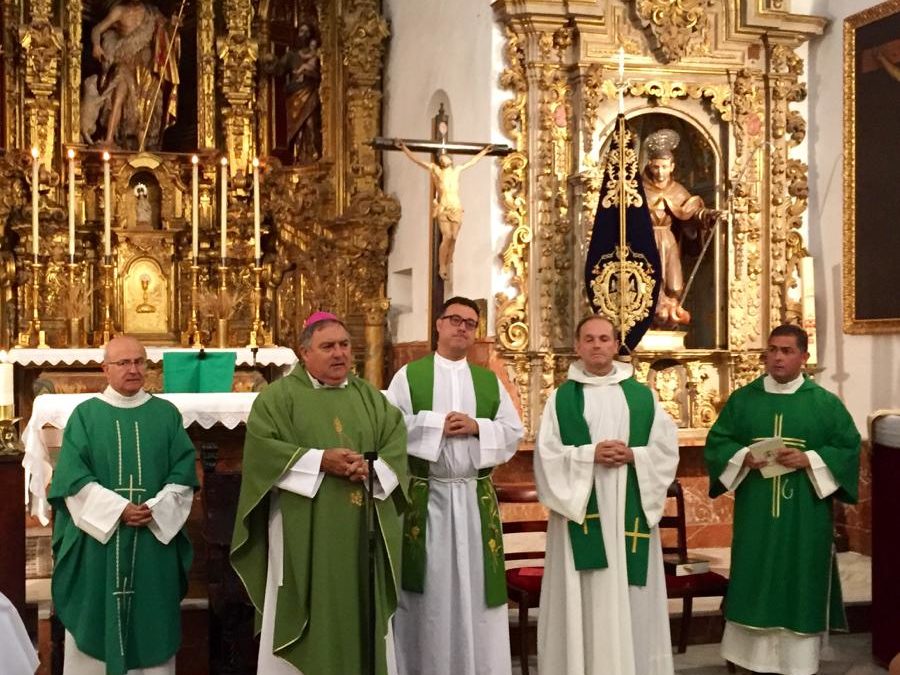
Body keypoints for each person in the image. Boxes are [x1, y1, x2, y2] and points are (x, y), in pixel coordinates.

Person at [231, 311, 408, 674]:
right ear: (304, 353)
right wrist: (319, 461)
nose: (339, 353)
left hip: (362, 528)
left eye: (344, 345)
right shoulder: (278, 398)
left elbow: (394, 442)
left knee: (361, 607)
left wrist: (370, 469)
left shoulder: (370, 397)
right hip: (303, 526)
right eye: (328, 346)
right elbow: (264, 451)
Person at [704, 324, 860, 675]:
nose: (777, 357)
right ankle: (748, 661)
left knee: (800, 576)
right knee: (753, 575)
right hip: (756, 511)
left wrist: (811, 460)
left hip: (805, 515)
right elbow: (718, 443)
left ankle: (798, 664)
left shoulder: (824, 404)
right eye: (772, 349)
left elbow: (848, 449)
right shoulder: (744, 399)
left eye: (787, 351)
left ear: (804, 357)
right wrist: (742, 456)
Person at [386, 296, 523, 675]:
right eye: (455, 320)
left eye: (470, 322)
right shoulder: (409, 376)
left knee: (478, 591)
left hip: (474, 499)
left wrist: (479, 426)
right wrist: (434, 425)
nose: (462, 327)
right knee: (429, 592)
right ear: (439, 325)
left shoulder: (488, 380)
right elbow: (390, 429)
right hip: (426, 498)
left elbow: (513, 433)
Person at [535, 314, 679, 675]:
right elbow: (547, 455)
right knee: (583, 591)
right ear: (578, 346)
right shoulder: (561, 398)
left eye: (604, 339)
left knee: (630, 596)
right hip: (581, 509)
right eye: (589, 339)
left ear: (617, 345)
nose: (597, 345)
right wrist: (588, 455)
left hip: (628, 503)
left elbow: (665, 451)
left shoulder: (642, 396)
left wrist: (634, 455)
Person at [48, 335, 198, 675]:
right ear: (105, 369)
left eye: (139, 362)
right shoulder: (86, 416)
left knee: (152, 616)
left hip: (152, 536)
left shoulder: (165, 414)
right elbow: (72, 478)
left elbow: (184, 472)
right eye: (123, 363)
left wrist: (154, 509)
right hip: (98, 544)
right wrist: (119, 510)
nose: (133, 369)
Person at [640, 128, 722, 328]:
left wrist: (709, 215)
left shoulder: (677, 191)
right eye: (657, 166)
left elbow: (691, 211)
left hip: (668, 241)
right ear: (650, 165)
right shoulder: (638, 189)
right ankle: (650, 319)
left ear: (672, 167)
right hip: (645, 241)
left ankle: (670, 316)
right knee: (648, 283)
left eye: (665, 167)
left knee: (674, 283)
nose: (660, 171)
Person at [394, 141, 494, 280]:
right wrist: (405, 149)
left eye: (445, 157)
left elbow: (472, 162)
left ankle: (449, 261)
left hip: (456, 207)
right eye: (441, 158)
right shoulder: (436, 170)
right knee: (447, 237)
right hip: (444, 208)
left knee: (454, 238)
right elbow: (418, 161)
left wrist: (484, 152)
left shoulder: (457, 170)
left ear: (450, 160)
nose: (443, 158)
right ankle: (442, 266)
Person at [88, 0, 180, 149]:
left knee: (146, 103)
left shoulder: (152, 12)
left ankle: (143, 145)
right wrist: (96, 45)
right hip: (125, 62)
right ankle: (109, 138)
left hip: (147, 64)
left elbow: (166, 29)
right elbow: (97, 29)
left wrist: (174, 24)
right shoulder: (119, 11)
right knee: (118, 96)